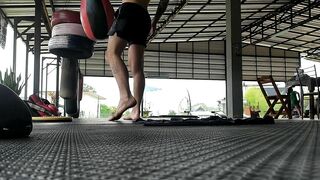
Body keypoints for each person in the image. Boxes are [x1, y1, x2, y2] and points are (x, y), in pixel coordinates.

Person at [106, 0, 169, 121]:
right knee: (137, 68)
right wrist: (155, 21)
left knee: (111, 53)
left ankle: (126, 97)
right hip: (143, 16)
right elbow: (164, 1)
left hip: (128, 10)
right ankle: (136, 111)